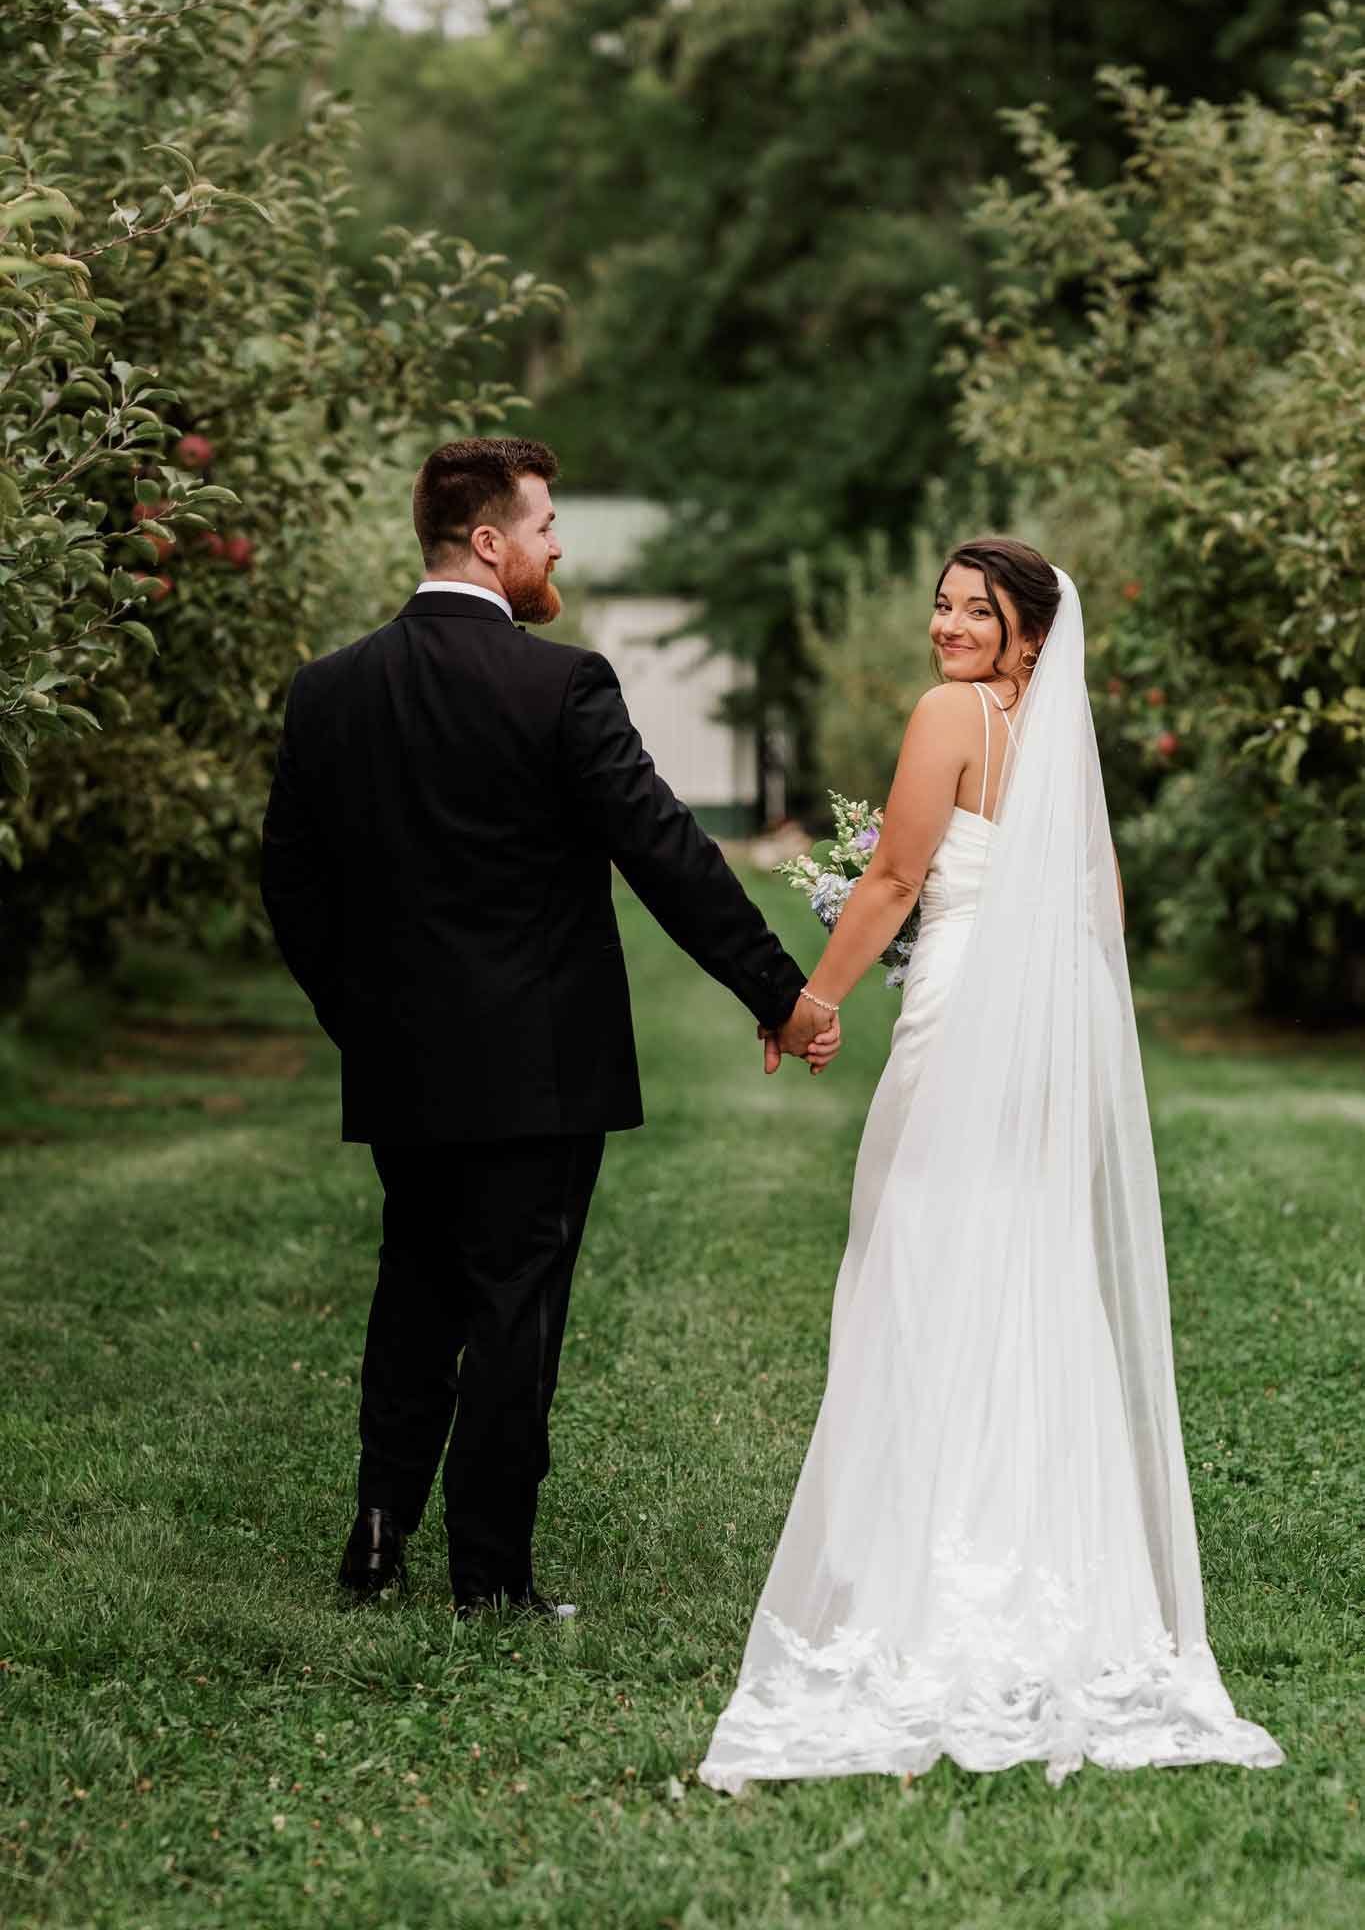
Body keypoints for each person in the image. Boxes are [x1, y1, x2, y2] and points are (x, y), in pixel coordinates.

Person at [700, 537, 1283, 1788]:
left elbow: (896, 876)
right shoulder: (1061, 736)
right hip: (1048, 1022)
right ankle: (1049, 1561)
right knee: (1025, 1266)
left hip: (965, 1013)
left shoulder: (947, 715)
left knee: (921, 1253)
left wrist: (810, 1001)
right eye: (942, 604)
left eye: (978, 610)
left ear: (1031, 631)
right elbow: (1102, 905)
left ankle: (923, 1556)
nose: (948, 626)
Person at [260, 437, 836, 1615]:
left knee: (414, 1286)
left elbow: (292, 886)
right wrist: (778, 991)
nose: (558, 545)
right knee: (514, 1306)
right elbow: (666, 850)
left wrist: (364, 1017)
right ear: (490, 542)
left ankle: (377, 1539)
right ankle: (490, 1575)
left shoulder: (330, 689)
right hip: (538, 1067)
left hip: (405, 1064)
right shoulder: (560, 686)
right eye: (545, 524)